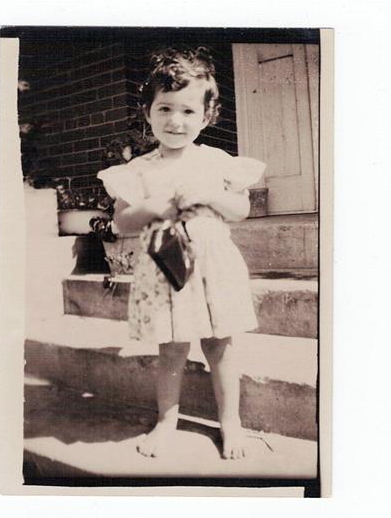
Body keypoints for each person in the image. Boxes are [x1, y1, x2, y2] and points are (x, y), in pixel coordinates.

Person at [97, 47, 266, 459]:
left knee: (219, 344)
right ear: (148, 111)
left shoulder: (217, 162)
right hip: (166, 265)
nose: (176, 121)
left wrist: (211, 195)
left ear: (207, 116)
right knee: (171, 347)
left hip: (213, 266)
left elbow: (241, 209)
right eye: (165, 108)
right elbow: (122, 222)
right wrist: (151, 209)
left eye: (189, 111)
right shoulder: (137, 170)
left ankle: (232, 425)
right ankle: (166, 421)